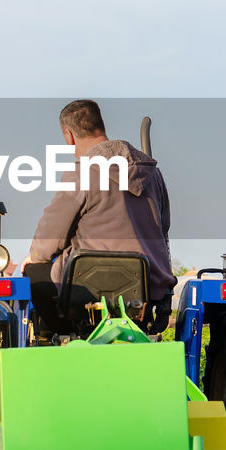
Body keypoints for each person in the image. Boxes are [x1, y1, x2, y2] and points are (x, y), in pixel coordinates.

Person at [25, 99, 176, 332]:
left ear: (69, 136)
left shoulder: (82, 173)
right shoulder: (152, 174)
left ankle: (65, 337)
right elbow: (164, 228)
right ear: (101, 126)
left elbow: (49, 239)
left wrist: (34, 256)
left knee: (34, 272)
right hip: (148, 285)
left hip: (90, 291)